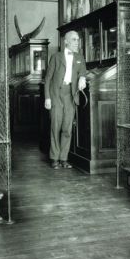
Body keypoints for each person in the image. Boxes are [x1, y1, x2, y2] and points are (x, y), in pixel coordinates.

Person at [44, 31, 87, 169]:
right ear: (66, 41)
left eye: (78, 40)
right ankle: (54, 158)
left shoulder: (80, 57)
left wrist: (82, 78)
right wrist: (47, 98)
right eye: (74, 39)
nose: (77, 42)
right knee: (55, 127)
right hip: (56, 95)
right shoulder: (56, 57)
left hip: (70, 95)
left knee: (67, 128)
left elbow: (83, 71)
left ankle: (64, 159)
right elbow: (48, 79)